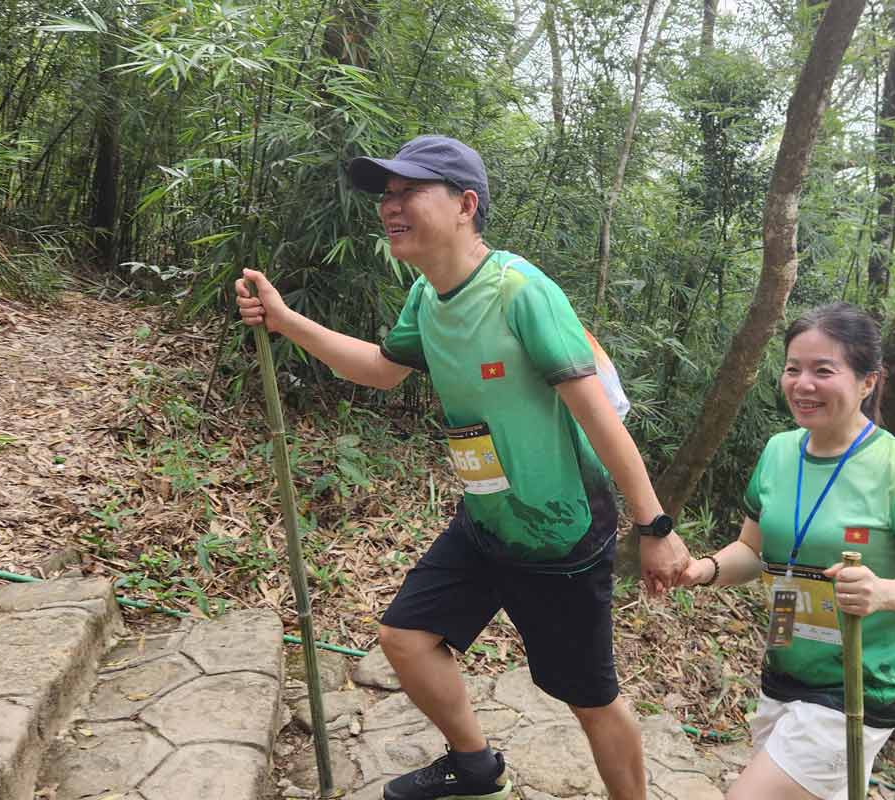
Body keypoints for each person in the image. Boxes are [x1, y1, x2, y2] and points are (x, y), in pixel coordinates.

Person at [236, 134, 689, 800]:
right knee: (406, 638)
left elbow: (600, 420)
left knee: (588, 698)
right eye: (386, 195)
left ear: (465, 205)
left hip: (559, 538)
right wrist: (285, 320)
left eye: (409, 191)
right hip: (485, 520)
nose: (391, 206)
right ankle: (475, 768)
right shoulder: (427, 295)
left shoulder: (521, 294)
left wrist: (654, 528)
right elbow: (382, 372)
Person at [676, 302, 895, 800]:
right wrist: (701, 570)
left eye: (822, 370)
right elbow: (754, 550)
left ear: (868, 380)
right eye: (793, 368)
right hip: (785, 666)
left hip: (858, 686)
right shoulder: (778, 452)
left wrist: (888, 593)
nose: (802, 384)